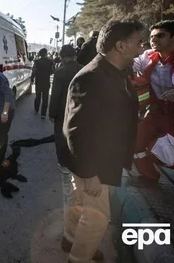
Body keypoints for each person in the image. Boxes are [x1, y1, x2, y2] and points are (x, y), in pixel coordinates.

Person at [62, 20, 143, 263]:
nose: (143, 47)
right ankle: (78, 258)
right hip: (93, 164)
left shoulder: (118, 72)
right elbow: (75, 130)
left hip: (101, 159)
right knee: (97, 217)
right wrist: (88, 174)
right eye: (139, 42)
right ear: (120, 45)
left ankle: (69, 238)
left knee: (79, 200)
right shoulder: (91, 77)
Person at [132, 20, 174, 183]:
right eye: (152, 36)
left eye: (160, 35)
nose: (154, 39)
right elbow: (129, 62)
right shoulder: (147, 56)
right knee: (134, 142)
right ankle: (150, 178)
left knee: (164, 151)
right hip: (156, 111)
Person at [48, 45, 82, 174]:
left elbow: (55, 95)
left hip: (63, 110)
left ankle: (63, 163)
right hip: (79, 109)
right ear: (75, 56)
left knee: (61, 136)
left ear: (62, 58)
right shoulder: (84, 69)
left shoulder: (60, 72)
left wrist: (52, 113)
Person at [31, 48, 54, 119]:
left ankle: (36, 109)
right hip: (46, 81)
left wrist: (32, 78)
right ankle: (43, 114)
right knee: (45, 98)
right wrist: (47, 74)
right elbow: (53, 70)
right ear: (46, 53)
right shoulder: (50, 61)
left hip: (38, 81)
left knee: (38, 96)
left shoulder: (37, 61)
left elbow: (34, 71)